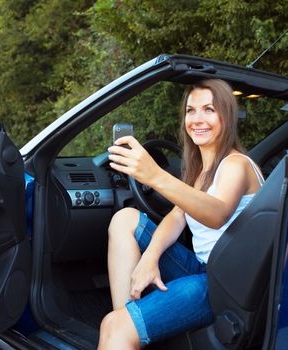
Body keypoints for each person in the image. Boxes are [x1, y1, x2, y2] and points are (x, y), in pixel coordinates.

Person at [98, 79, 264, 349]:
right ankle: (128, 321)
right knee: (125, 218)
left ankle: (123, 328)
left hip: (223, 283)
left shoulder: (236, 164)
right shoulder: (200, 170)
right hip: (201, 267)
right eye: (191, 110)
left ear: (227, 116)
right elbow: (177, 216)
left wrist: (155, 176)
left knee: (112, 327)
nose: (198, 119)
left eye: (209, 109)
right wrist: (149, 258)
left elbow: (217, 213)